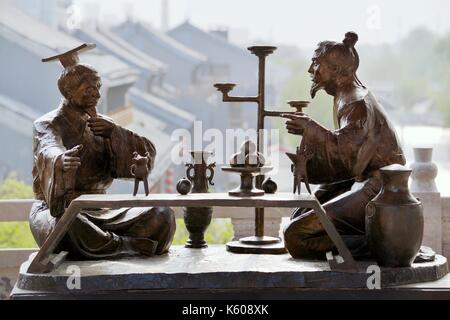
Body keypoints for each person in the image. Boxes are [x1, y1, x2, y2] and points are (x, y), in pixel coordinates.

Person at [30, 45, 176, 260]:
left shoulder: (102, 124)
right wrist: (61, 159)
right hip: (59, 210)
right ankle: (125, 245)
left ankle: (108, 243)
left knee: (162, 215)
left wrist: (116, 133)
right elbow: (49, 147)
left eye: (98, 88)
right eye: (89, 89)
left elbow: (140, 158)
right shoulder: (48, 123)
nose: (97, 95)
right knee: (65, 225)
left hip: (101, 210)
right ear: (68, 91)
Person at [282, 32, 405, 259]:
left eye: (317, 64)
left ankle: (382, 241)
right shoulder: (345, 95)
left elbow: (348, 157)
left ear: (336, 70)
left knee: (296, 235)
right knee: (300, 214)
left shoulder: (355, 102)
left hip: (378, 187)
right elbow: (346, 151)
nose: (311, 71)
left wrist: (310, 128)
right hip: (359, 180)